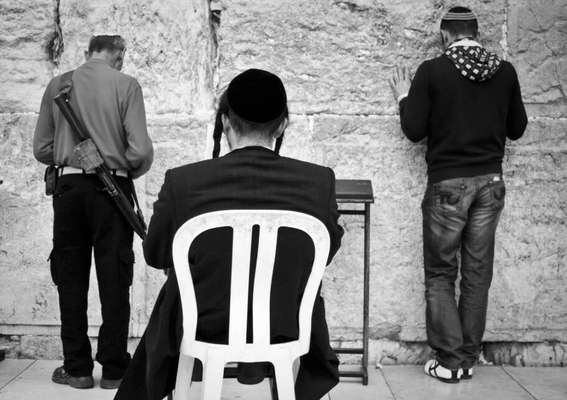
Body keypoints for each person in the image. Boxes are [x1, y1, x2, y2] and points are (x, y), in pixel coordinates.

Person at [115, 68, 344, 400]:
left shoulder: (184, 181)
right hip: (285, 322)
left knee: (175, 291)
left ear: (224, 121)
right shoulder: (318, 182)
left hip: (202, 324)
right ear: (282, 125)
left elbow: (155, 254)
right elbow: (325, 252)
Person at [389, 6, 527, 383]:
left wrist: (404, 96)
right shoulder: (505, 72)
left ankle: (450, 362)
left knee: (440, 273)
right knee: (477, 275)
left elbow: (414, 130)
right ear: (476, 34)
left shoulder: (433, 71)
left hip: (448, 185)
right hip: (490, 184)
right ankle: (466, 357)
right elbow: (517, 128)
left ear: (445, 36)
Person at [33, 35, 153, 389]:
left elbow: (42, 147)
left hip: (69, 191)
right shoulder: (126, 85)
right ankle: (114, 370)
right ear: (119, 56)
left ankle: (78, 370)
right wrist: (120, 165)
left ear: (88, 53)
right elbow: (140, 151)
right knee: (115, 276)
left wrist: (70, 155)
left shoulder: (59, 84)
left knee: (70, 277)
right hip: (111, 189)